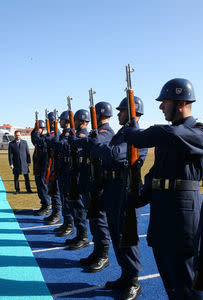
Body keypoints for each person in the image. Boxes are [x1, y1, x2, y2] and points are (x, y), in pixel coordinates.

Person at [124, 79, 203, 299]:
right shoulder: (170, 134)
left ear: (180, 102)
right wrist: (138, 198)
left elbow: (169, 135)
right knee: (170, 283)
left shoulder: (200, 132)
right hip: (162, 216)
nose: (161, 106)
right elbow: (156, 174)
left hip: (183, 220)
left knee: (186, 284)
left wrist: (136, 134)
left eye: (165, 101)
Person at [91, 97, 147, 300]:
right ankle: (125, 274)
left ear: (133, 112)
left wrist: (96, 145)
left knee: (127, 236)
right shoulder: (123, 133)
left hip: (126, 190)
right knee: (116, 234)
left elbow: (114, 154)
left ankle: (134, 281)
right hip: (114, 189)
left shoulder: (137, 135)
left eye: (122, 111)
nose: (118, 114)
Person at [71, 101, 115, 272]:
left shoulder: (106, 132)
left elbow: (90, 143)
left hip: (99, 183)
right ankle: (96, 252)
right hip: (91, 181)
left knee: (100, 220)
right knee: (94, 219)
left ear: (100, 115)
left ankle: (103, 256)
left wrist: (80, 139)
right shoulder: (96, 132)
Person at [64, 109, 91, 250]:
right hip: (74, 173)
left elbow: (75, 144)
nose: (73, 123)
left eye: (76, 121)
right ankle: (79, 234)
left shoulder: (84, 135)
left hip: (81, 175)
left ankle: (84, 236)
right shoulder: (77, 134)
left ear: (83, 121)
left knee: (80, 207)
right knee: (74, 206)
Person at [50, 111, 75, 236]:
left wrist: (53, 140)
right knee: (64, 198)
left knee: (67, 198)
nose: (60, 122)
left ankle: (70, 225)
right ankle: (66, 222)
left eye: (62, 120)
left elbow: (64, 146)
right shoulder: (64, 133)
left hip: (67, 170)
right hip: (61, 168)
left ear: (67, 121)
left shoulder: (70, 132)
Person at [42, 111, 62, 225]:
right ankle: (54, 212)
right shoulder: (51, 133)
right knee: (53, 191)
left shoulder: (56, 133)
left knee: (56, 192)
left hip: (56, 164)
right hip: (51, 164)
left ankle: (57, 214)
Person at [31, 120, 51, 216]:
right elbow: (34, 139)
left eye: (38, 129)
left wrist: (38, 133)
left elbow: (39, 141)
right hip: (38, 165)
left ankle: (47, 206)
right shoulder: (37, 137)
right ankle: (43, 204)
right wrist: (35, 131)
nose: (37, 131)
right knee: (39, 186)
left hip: (44, 165)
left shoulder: (46, 138)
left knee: (43, 185)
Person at [8, 130, 33, 194]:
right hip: (16, 163)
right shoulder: (11, 144)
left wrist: (29, 161)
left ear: (20, 135)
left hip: (24, 163)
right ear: (14, 136)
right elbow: (10, 155)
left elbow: (27, 153)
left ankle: (28, 189)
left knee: (26, 177)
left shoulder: (24, 142)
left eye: (18, 135)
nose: (17, 136)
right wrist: (11, 164)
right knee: (16, 177)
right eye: (16, 135)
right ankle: (17, 190)